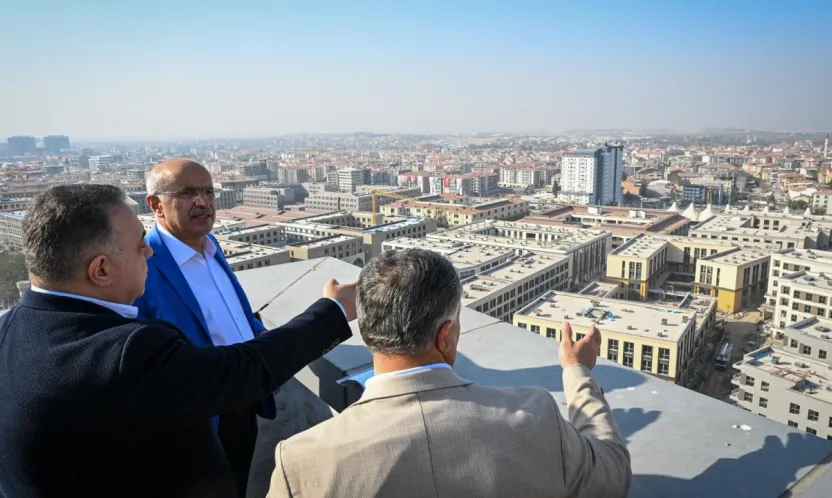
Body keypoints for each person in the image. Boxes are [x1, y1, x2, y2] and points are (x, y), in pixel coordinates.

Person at [0, 184, 355, 498]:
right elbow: (244, 371)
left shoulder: (11, 327)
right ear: (101, 270)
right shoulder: (129, 354)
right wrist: (333, 310)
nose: (150, 254)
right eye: (141, 247)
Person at [267, 248, 631, 498]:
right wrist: (578, 373)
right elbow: (612, 473)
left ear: (369, 331)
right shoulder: (535, 415)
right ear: (445, 335)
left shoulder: (301, 462)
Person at [134, 158, 322, 495]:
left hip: (244, 398)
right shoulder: (145, 265)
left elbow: (232, 310)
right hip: (199, 416)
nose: (203, 202)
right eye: (188, 193)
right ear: (155, 204)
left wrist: (256, 334)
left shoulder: (211, 245)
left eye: (208, 191)